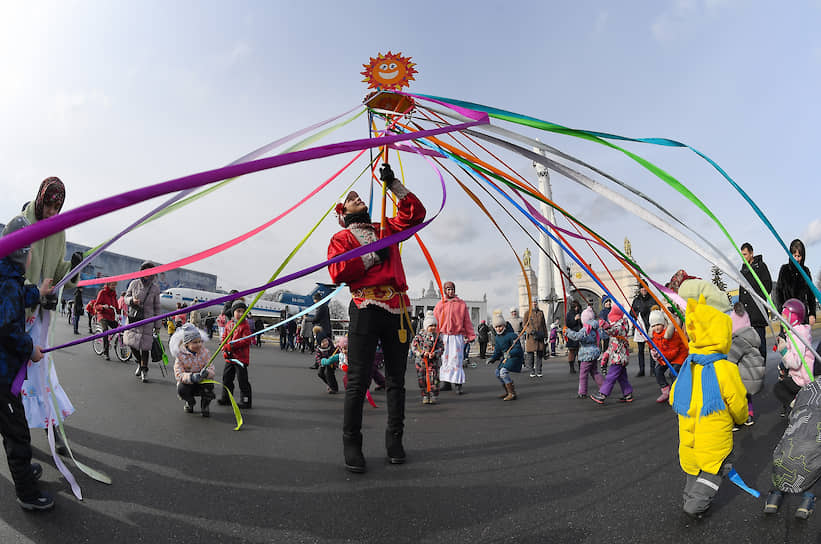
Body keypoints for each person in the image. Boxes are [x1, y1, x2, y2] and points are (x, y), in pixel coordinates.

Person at [326, 163, 425, 473]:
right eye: (351, 197)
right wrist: (373, 256)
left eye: (359, 195)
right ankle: (351, 443)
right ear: (344, 213)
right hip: (366, 307)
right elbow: (339, 272)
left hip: (397, 310)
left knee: (397, 380)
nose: (357, 195)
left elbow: (415, 214)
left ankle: (395, 440)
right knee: (357, 380)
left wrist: (393, 183)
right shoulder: (341, 238)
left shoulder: (386, 229)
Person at [669, 279, 748, 519]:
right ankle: (695, 505)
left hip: (689, 434)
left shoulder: (688, 367)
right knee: (716, 467)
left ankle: (689, 499)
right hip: (715, 437)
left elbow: (674, 397)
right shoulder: (724, 368)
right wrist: (742, 418)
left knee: (694, 469)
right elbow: (737, 401)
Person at [16, 177, 79, 456]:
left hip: (42, 315)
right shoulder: (20, 225)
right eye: (49, 205)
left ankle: (51, 428)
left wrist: (73, 268)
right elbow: (11, 274)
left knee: (42, 371)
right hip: (19, 313)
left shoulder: (58, 230)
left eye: (58, 206)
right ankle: (15, 431)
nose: (53, 212)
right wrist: (34, 293)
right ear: (40, 199)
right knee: (16, 374)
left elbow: (56, 268)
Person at [0, 215, 55, 511]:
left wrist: (39, 292)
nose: (32, 252)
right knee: (17, 435)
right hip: (2, 376)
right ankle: (27, 493)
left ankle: (23, 473)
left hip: (5, 373)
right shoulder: (7, 283)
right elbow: (6, 328)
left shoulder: (6, 277)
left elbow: (18, 296)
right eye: (30, 247)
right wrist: (30, 347)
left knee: (13, 428)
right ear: (22, 252)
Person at [764, 379, 821, 519]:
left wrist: (794, 405)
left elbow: (780, 387)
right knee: (816, 459)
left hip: (793, 437)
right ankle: (807, 501)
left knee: (786, 455)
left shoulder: (810, 387)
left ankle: (774, 497)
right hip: (813, 444)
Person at [434, 281, 476, 394]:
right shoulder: (440, 304)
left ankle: (458, 384)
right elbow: (435, 320)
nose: (450, 291)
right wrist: (433, 334)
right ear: (444, 291)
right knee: (445, 360)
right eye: (448, 289)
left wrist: (471, 335)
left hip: (457, 336)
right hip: (444, 336)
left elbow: (466, 320)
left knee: (456, 360)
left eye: (452, 289)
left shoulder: (461, 304)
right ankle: (446, 383)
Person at [773, 298, 813, 418]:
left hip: (803, 379)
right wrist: (782, 364)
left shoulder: (797, 335)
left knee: (779, 388)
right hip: (798, 375)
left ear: (793, 317)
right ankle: (798, 404)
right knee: (781, 379)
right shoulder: (793, 333)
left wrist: (784, 351)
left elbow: (795, 363)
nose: (781, 318)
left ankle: (799, 407)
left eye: (784, 316)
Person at [123, 262, 162, 383]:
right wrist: (131, 300)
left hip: (148, 320)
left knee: (145, 347)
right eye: (146, 270)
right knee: (131, 343)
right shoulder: (134, 283)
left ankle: (144, 369)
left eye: (150, 271)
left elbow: (157, 307)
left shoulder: (155, 288)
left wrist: (158, 325)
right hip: (134, 318)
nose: (148, 274)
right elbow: (125, 298)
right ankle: (139, 363)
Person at [727, 303, 764, 427]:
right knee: (748, 397)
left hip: (743, 375)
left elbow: (731, 359)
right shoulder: (752, 335)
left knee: (739, 396)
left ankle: (740, 418)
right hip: (752, 373)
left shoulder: (738, 340)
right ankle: (750, 414)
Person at [590, 304, 634, 404]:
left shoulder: (621, 325)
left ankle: (603, 395)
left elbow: (614, 331)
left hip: (619, 357)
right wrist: (607, 354)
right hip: (618, 356)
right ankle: (628, 394)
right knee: (622, 377)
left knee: (611, 376)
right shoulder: (617, 324)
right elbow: (612, 343)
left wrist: (606, 326)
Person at [170, 323, 215, 417]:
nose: (199, 345)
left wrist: (207, 373)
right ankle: (190, 402)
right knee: (181, 389)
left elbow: (211, 368)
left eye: (200, 341)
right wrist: (191, 377)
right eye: (195, 342)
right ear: (186, 343)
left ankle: (205, 406)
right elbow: (178, 374)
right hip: (188, 383)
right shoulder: (180, 356)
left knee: (209, 385)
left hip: (202, 381)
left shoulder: (205, 352)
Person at [738, 242, 773, 358]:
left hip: (757, 313)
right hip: (746, 317)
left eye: (745, 254)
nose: (743, 257)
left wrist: (757, 297)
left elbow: (768, 286)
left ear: (751, 254)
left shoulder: (761, 267)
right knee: (749, 348)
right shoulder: (742, 271)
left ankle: (762, 368)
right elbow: (741, 294)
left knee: (760, 345)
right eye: (742, 255)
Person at [647, 307, 688, 404]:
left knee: (673, 372)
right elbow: (655, 347)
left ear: (663, 324)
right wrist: (655, 354)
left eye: (658, 324)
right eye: (653, 325)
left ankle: (676, 393)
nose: (656, 327)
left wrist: (662, 356)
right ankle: (665, 390)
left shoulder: (670, 334)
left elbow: (674, 351)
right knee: (658, 370)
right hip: (666, 356)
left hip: (679, 355)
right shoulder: (654, 336)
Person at [218, 300, 253, 409]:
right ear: (233, 312)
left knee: (242, 380)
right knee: (226, 379)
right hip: (230, 357)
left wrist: (232, 346)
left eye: (243, 311)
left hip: (240, 358)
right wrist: (224, 347)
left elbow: (246, 341)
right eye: (238, 311)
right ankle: (226, 398)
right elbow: (224, 337)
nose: (241, 314)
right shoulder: (229, 324)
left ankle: (246, 400)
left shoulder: (245, 325)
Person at [775, 239, 816, 326]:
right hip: (787, 317)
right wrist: (781, 311)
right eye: (795, 255)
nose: (797, 259)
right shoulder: (784, 270)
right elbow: (778, 292)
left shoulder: (806, 271)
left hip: (802, 319)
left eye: (799, 256)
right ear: (790, 255)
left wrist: (812, 314)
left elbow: (811, 295)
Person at [565, 306, 603, 399]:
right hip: (594, 352)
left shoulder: (586, 329)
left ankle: (582, 392)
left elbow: (577, 336)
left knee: (583, 374)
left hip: (586, 353)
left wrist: (567, 331)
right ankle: (604, 388)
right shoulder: (595, 327)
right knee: (595, 372)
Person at [487, 310, 524, 401]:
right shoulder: (497, 338)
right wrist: (493, 358)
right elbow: (497, 351)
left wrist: (510, 353)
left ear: (504, 325)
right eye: (496, 327)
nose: (498, 329)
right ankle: (508, 391)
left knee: (503, 372)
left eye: (500, 326)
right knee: (497, 373)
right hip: (505, 358)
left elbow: (518, 349)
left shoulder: (512, 335)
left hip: (514, 358)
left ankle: (512, 393)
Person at [411, 311, 444, 405]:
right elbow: (414, 347)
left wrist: (435, 353)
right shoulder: (419, 336)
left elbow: (441, 347)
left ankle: (433, 395)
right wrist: (422, 353)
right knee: (422, 380)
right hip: (421, 363)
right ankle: (425, 395)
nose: (433, 327)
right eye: (431, 326)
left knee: (434, 379)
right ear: (426, 326)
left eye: (434, 325)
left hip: (433, 363)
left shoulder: (437, 337)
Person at [631, 285, 654, 377]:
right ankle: (642, 370)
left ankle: (653, 369)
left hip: (650, 326)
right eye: (642, 288)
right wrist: (638, 313)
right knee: (640, 350)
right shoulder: (636, 300)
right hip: (640, 328)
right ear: (640, 290)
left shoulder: (652, 299)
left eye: (645, 288)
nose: (644, 290)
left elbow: (657, 309)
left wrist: (648, 310)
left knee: (652, 350)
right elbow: (631, 312)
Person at [93, 281, 119, 360]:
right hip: (102, 315)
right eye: (113, 285)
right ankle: (105, 352)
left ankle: (121, 349)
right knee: (105, 331)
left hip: (111, 317)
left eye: (115, 285)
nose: (114, 286)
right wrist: (103, 306)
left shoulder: (114, 294)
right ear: (108, 285)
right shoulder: (102, 292)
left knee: (120, 328)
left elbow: (116, 307)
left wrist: (122, 311)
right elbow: (96, 306)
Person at [523, 299, 547, 378]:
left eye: (535, 302)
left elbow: (544, 325)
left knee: (540, 354)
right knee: (530, 355)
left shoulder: (541, 313)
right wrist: (530, 331)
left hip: (539, 336)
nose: (534, 304)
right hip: (531, 337)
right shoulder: (527, 313)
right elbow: (524, 325)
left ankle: (539, 370)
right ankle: (532, 370)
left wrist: (546, 335)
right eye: (533, 302)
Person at [565, 300, 582, 374]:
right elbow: (568, 324)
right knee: (572, 351)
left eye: (577, 307)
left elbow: (582, 324)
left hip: (579, 333)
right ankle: (571, 368)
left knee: (579, 351)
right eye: (575, 307)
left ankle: (580, 367)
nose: (576, 308)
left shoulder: (580, 313)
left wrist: (580, 319)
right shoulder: (569, 314)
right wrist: (574, 319)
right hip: (572, 334)